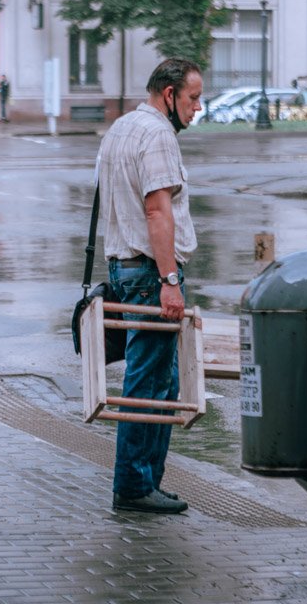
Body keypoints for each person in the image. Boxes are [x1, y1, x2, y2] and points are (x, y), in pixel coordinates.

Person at [96, 57, 203, 515]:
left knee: (159, 379)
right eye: (193, 97)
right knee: (148, 385)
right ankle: (135, 485)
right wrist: (170, 281)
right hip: (148, 274)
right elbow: (157, 212)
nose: (198, 107)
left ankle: (146, 481)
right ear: (168, 94)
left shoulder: (120, 128)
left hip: (124, 268)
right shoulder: (158, 134)